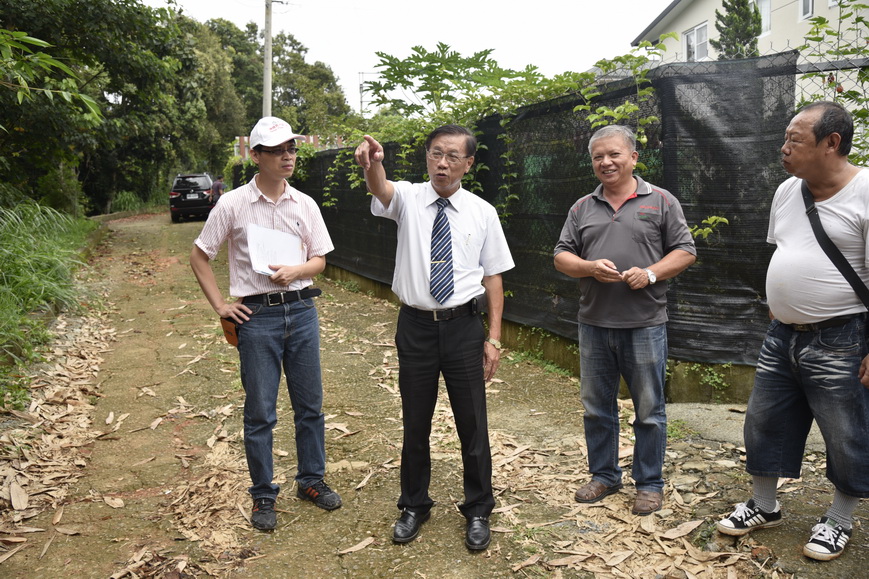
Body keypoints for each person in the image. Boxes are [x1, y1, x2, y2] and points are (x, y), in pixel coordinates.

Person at [717, 101, 869, 561]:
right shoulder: (788, 191)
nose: (783, 148)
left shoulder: (865, 192)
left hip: (842, 337)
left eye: (794, 140)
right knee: (763, 422)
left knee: (845, 433)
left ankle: (839, 519)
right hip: (782, 334)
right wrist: (781, 303)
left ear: (831, 143)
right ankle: (764, 504)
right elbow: (785, 250)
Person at [354, 125, 514, 550]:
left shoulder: (483, 212)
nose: (443, 163)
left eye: (452, 157)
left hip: (464, 327)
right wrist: (373, 164)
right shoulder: (407, 198)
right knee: (415, 420)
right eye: (436, 154)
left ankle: (479, 509)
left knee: (473, 424)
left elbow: (493, 276)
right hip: (417, 326)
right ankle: (413, 505)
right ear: (427, 157)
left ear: (468, 164)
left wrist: (493, 337)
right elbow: (380, 188)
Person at [190, 116, 341, 531]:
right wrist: (221, 304)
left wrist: (297, 270)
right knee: (260, 411)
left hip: (302, 311)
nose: (287, 156)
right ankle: (262, 495)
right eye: (276, 150)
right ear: (255, 156)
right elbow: (200, 254)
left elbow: (320, 259)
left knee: (310, 405)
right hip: (257, 317)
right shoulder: (233, 203)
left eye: (291, 148)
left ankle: (311, 480)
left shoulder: (304, 204)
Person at [553, 125, 696, 516]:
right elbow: (561, 256)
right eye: (598, 156)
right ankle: (604, 475)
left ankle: (649, 483)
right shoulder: (582, 207)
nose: (606, 162)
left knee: (649, 409)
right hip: (594, 323)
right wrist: (587, 267)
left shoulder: (662, 201)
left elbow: (685, 250)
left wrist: (650, 273)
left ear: (633, 157)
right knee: (597, 407)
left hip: (645, 323)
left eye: (614, 154)